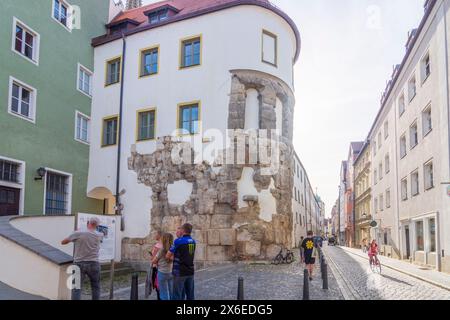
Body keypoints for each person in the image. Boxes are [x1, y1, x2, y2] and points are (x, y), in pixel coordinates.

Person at [61, 217, 104, 300]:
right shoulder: (100, 235)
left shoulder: (79, 233)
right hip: (94, 263)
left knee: (76, 288)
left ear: (88, 222)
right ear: (97, 225)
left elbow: (63, 242)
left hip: (79, 264)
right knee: (96, 287)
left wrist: (75, 233)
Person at [167, 223, 196, 300]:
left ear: (183, 230)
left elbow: (168, 255)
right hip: (190, 271)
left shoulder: (178, 241)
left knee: (177, 295)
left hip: (180, 272)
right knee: (190, 295)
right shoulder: (193, 241)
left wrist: (174, 257)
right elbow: (187, 254)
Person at [152, 233, 174, 300]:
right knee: (171, 292)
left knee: (163, 293)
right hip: (170, 272)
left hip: (162, 272)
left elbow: (154, 261)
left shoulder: (161, 250)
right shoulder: (173, 249)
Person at [151, 230, 163, 300]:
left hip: (156, 268)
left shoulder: (157, 246)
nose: (155, 235)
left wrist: (152, 256)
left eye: (156, 234)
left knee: (158, 288)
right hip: (161, 268)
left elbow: (154, 259)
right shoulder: (164, 245)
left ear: (159, 235)